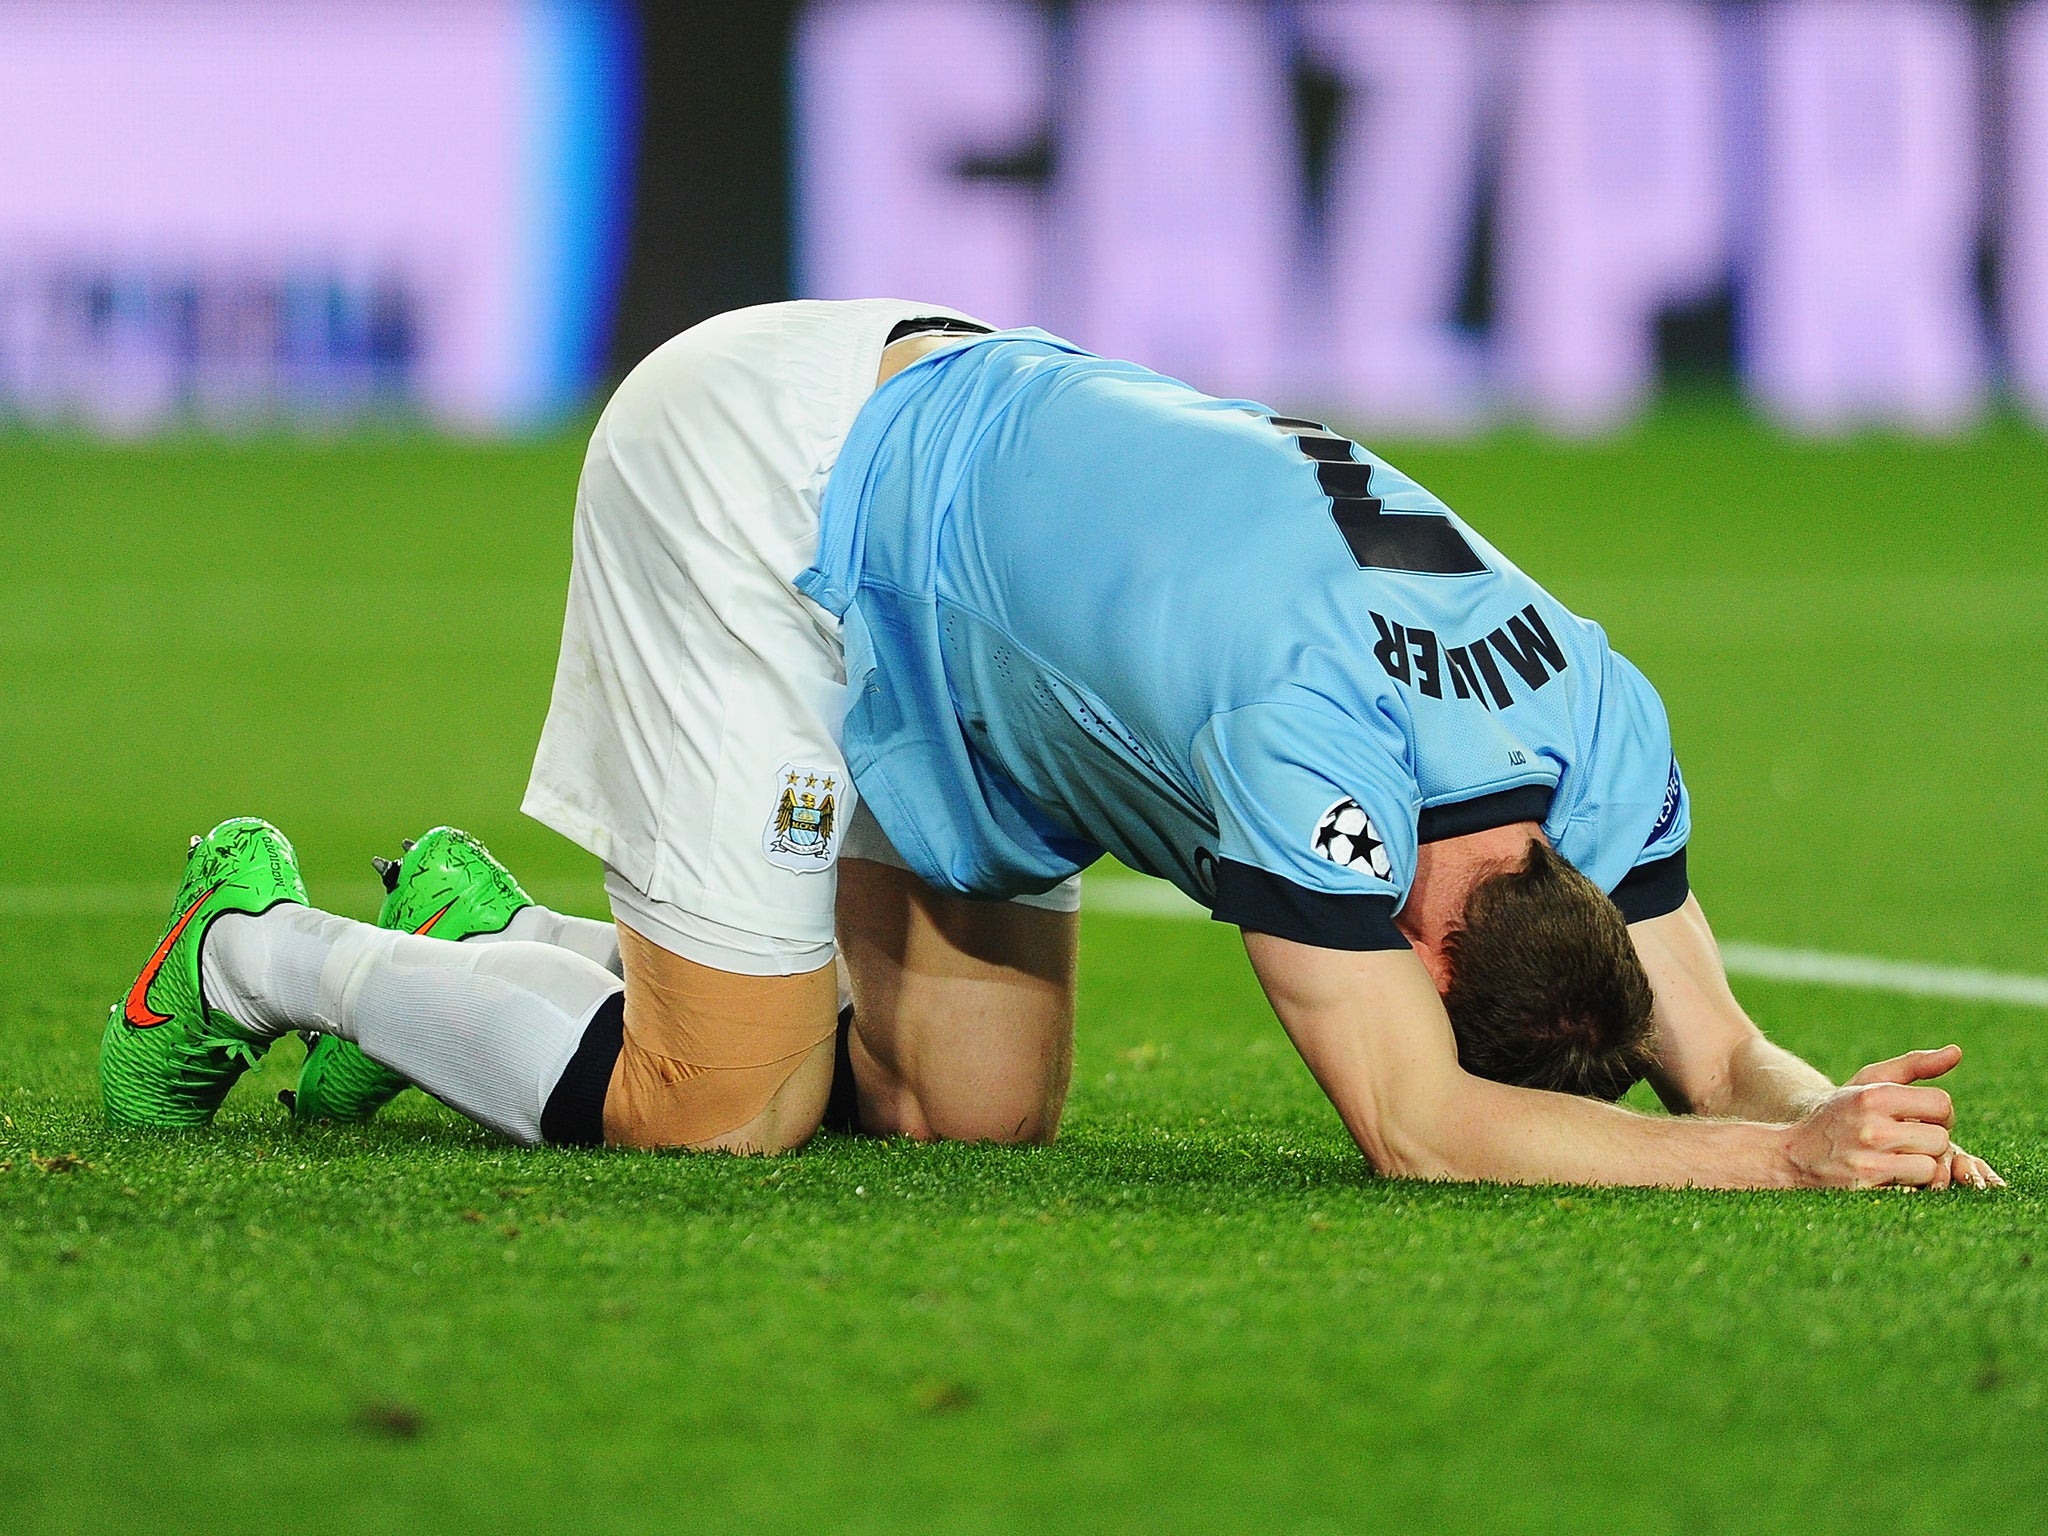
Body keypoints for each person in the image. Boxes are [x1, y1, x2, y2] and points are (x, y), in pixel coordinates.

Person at [100, 300, 2001, 1190]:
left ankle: (484, 939)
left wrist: (1850, 1130)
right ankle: (260, 956)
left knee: (965, 1115)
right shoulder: (1302, 746)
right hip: (782, 490)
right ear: (1428, 942)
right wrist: (1770, 1173)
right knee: (722, 1112)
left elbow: (1720, 1047)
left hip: (986, 551)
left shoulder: (1595, 728)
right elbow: (1421, 1126)